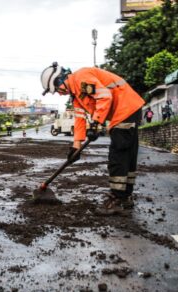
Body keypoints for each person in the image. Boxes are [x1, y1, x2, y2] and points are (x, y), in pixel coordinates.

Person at [41, 62, 145, 214]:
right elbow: (80, 120)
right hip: (127, 109)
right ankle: (125, 198)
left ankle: (117, 199)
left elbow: (104, 96)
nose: (59, 93)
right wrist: (75, 146)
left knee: (118, 155)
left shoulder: (80, 78)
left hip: (125, 109)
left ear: (60, 81)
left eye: (56, 90)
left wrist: (96, 123)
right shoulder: (76, 95)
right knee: (127, 155)